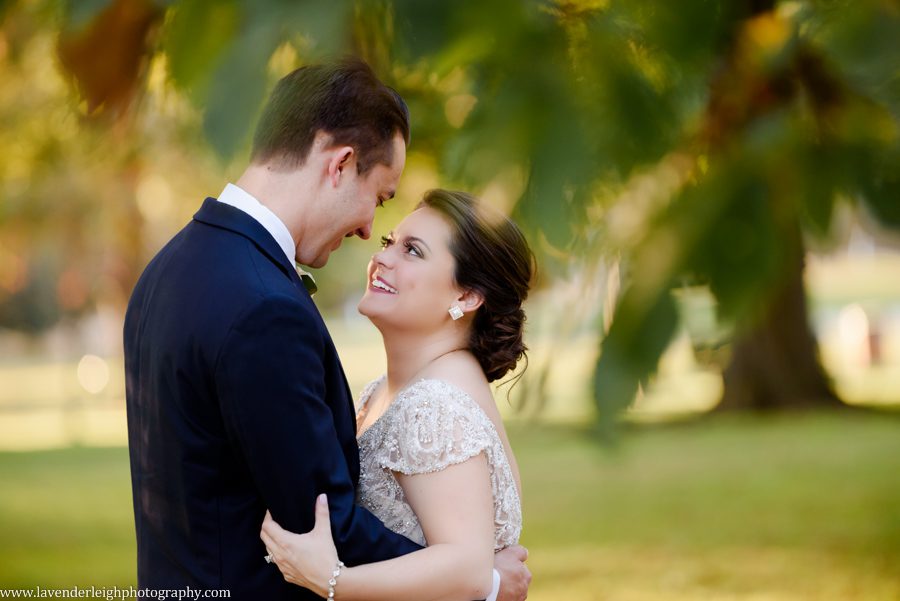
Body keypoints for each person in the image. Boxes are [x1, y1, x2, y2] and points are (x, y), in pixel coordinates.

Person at [123, 60, 530, 600]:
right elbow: (321, 520)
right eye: (380, 199)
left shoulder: (167, 269)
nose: (368, 230)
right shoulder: (263, 306)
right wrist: (486, 584)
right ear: (339, 165)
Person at [260, 189, 534, 600]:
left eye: (413, 251)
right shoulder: (394, 389)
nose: (382, 257)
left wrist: (331, 580)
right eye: (390, 243)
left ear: (466, 296)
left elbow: (467, 569)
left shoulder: (435, 404)